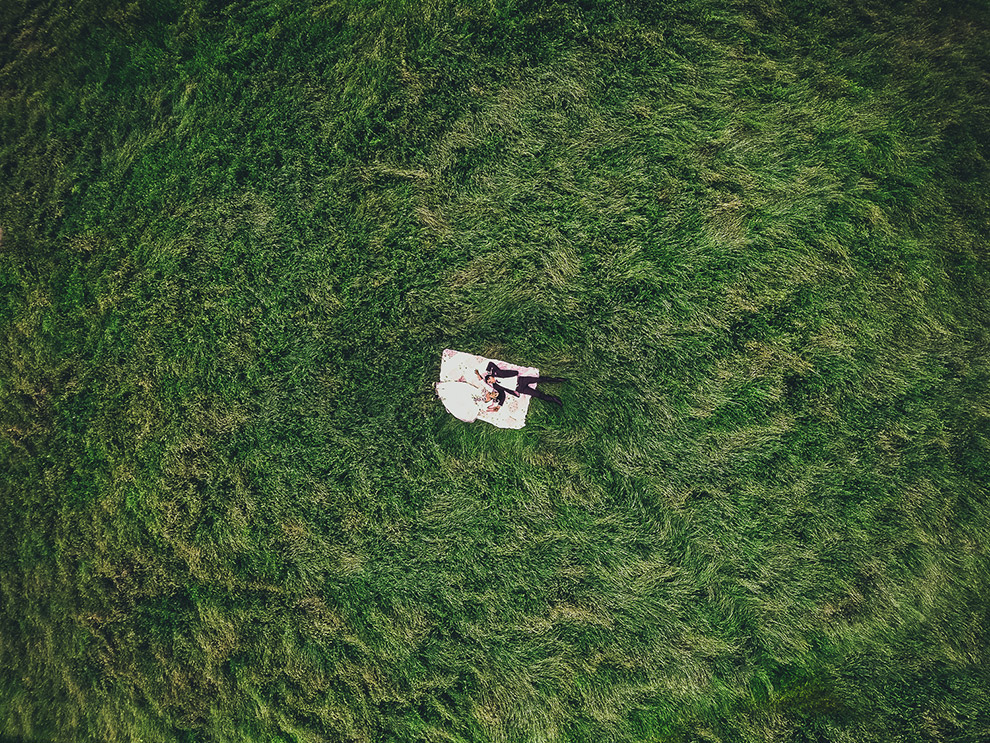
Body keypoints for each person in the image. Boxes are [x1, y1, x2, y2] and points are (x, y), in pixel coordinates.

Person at [475, 361, 566, 407]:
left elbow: (491, 363)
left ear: (491, 376)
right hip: (520, 389)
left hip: (521, 381)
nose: (491, 382)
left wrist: (485, 373)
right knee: (538, 394)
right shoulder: (496, 386)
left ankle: (556, 380)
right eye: (490, 382)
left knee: (540, 379)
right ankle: (554, 399)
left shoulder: (498, 373)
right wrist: (499, 405)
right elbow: (501, 395)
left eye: (490, 379)